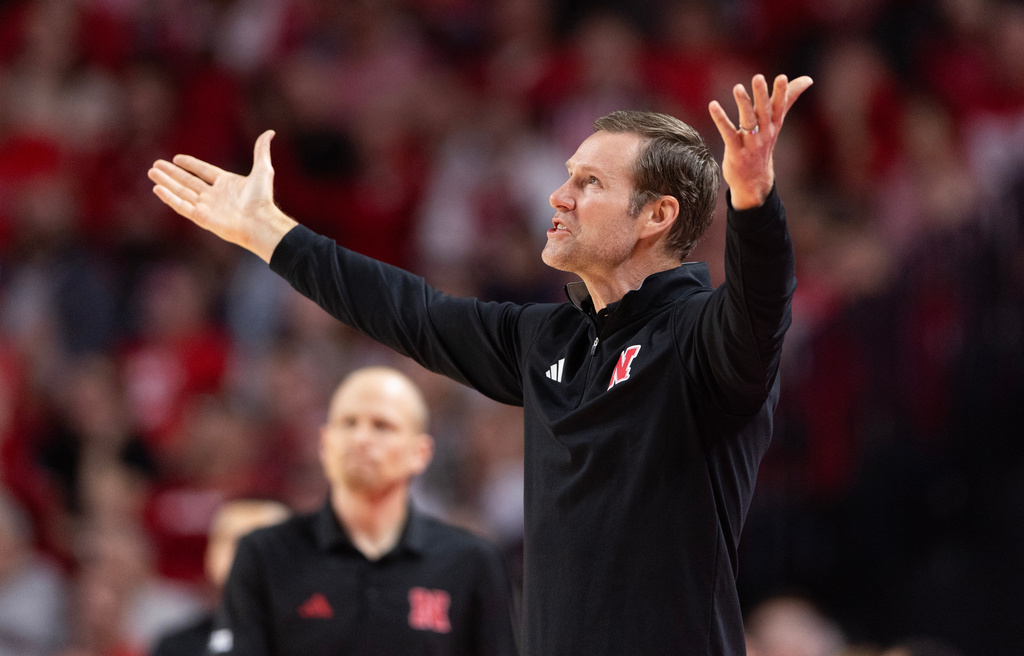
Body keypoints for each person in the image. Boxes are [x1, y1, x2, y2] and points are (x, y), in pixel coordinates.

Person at [149, 73, 813, 655]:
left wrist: (753, 202)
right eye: (566, 175)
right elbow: (411, 311)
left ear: (657, 216)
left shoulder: (701, 339)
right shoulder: (547, 341)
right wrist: (267, 232)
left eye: (589, 183)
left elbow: (761, 308)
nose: (559, 196)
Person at [205, 366, 518, 656]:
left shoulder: (469, 561)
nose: (362, 439)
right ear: (325, 444)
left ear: (420, 452)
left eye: (383, 426)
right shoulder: (265, 554)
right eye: (348, 423)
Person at [150, 498, 290, 656]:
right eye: (228, 538)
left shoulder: (319, 638)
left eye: (261, 538)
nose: (242, 551)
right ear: (209, 554)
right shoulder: (177, 647)